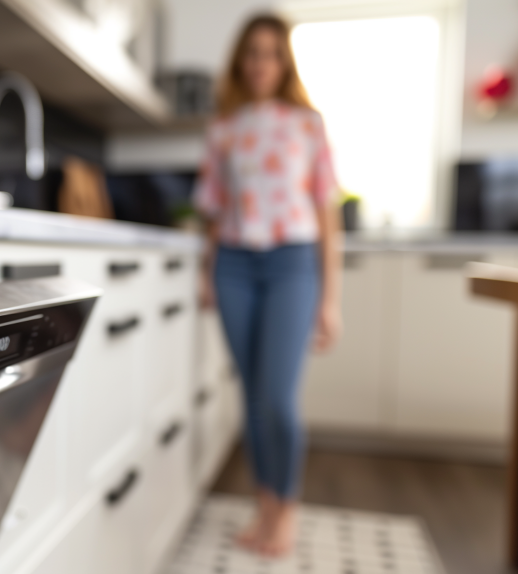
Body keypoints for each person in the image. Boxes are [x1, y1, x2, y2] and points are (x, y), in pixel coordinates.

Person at [195, 13, 342, 556]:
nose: (260, 63)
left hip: (291, 265)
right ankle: (264, 508)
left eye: (271, 53)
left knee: (278, 399)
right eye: (252, 53)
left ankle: (288, 509)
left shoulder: (308, 123)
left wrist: (330, 299)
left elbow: (328, 215)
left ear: (284, 62)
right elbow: (213, 209)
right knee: (252, 399)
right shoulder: (223, 128)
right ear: (240, 61)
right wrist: (207, 272)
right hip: (234, 265)